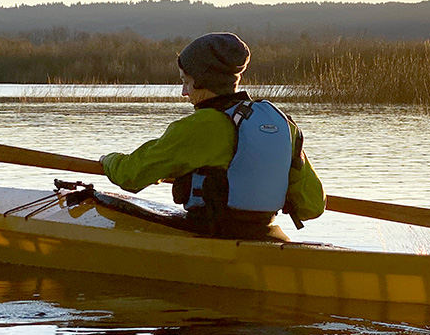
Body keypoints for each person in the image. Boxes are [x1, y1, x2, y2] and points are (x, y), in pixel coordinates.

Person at [100, 32, 325, 239]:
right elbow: (312, 206)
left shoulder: (201, 126)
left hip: (214, 238)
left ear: (203, 81)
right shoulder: (282, 123)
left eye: (185, 81)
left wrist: (107, 160)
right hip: (269, 237)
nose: (184, 92)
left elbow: (131, 174)